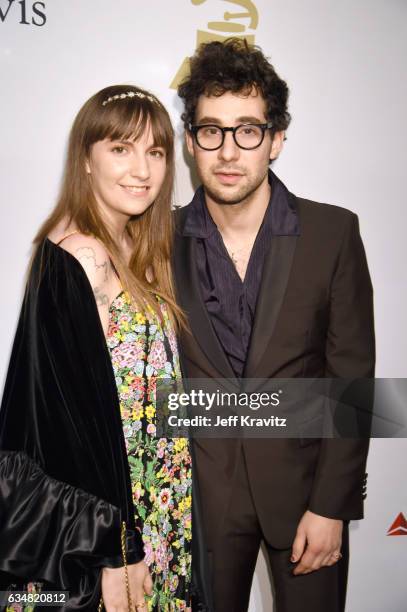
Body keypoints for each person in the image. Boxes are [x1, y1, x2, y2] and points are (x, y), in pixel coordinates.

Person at [174, 39, 375, 612]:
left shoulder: (333, 233)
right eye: (211, 131)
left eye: (248, 130)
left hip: (307, 497)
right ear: (191, 141)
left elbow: (353, 381)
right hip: (199, 505)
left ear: (276, 139)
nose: (228, 151)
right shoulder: (155, 241)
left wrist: (332, 505)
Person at [0, 85, 193, 611]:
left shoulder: (138, 247)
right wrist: (114, 548)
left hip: (157, 494)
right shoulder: (77, 256)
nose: (142, 169)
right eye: (120, 149)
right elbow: (68, 423)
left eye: (155, 151)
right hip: (114, 511)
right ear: (86, 159)